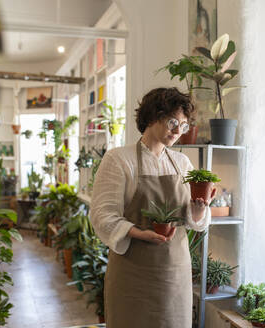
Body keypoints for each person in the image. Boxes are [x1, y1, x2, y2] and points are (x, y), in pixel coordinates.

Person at [90, 87, 211, 328]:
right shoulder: (119, 159)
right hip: (132, 274)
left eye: (184, 125)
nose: (178, 131)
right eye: (173, 122)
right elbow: (102, 215)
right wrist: (138, 233)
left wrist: (198, 210)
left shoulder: (182, 162)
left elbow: (192, 221)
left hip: (175, 274)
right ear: (153, 116)